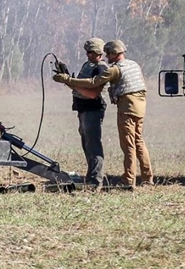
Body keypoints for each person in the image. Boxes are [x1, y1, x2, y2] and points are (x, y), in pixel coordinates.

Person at [52, 39, 153, 188]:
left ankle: (128, 180)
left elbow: (94, 84)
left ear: (114, 53)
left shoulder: (114, 69)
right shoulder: (133, 64)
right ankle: (147, 178)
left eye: (108, 54)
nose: (106, 56)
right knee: (138, 141)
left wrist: (68, 80)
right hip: (140, 106)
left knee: (128, 145)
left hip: (127, 107)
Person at [57, 38, 108, 188]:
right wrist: (67, 80)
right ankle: (91, 177)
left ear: (99, 52)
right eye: (87, 52)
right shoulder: (88, 65)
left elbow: (93, 93)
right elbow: (77, 87)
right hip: (83, 108)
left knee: (93, 144)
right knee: (86, 144)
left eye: (91, 52)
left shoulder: (101, 68)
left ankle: (95, 180)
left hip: (93, 108)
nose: (88, 54)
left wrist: (70, 81)